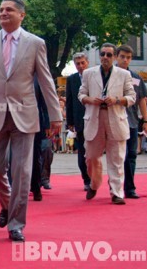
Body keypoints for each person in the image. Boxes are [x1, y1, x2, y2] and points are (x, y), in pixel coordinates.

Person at [0, 0, 62, 242]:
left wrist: (55, 116)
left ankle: (16, 224)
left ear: (22, 15)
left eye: (9, 9)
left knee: (22, 172)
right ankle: (8, 205)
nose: (3, 13)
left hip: (25, 114)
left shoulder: (35, 43)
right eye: (0, 9)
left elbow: (46, 79)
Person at [78, 43, 135, 205]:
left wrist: (117, 100)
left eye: (109, 55)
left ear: (115, 57)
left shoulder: (124, 75)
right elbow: (81, 94)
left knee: (116, 159)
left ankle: (117, 192)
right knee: (90, 157)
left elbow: (131, 97)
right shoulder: (89, 74)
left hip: (116, 119)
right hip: (94, 118)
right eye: (102, 54)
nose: (105, 57)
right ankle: (94, 184)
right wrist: (89, 100)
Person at [115, 45, 147, 199]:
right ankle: (115, 186)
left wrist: (146, 120)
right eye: (122, 56)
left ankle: (130, 188)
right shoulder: (110, 75)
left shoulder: (136, 77)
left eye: (128, 57)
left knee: (131, 155)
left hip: (133, 122)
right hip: (114, 121)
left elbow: (142, 99)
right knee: (117, 156)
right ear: (117, 57)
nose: (125, 60)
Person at [65, 52, 91, 191]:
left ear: (87, 62)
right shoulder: (72, 79)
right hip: (79, 121)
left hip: (94, 119)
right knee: (82, 151)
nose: (80, 66)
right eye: (78, 64)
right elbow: (69, 101)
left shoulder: (95, 76)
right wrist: (70, 121)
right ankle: (86, 179)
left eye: (83, 63)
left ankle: (94, 175)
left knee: (93, 152)